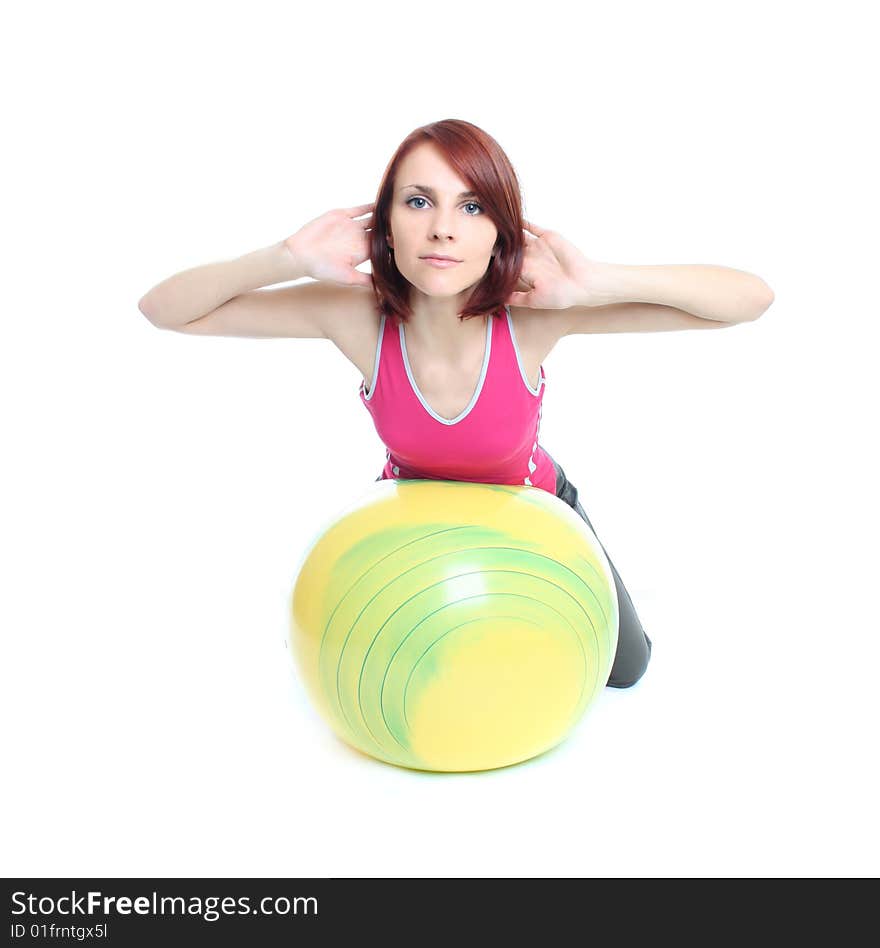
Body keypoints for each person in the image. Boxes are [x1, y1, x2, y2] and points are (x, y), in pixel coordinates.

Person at [138, 118, 774, 689]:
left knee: (625, 671)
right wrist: (283, 257)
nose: (442, 227)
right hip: (413, 524)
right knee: (396, 668)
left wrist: (601, 281)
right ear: (385, 223)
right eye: (419, 202)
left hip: (536, 512)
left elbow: (747, 301)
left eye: (471, 207)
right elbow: (165, 312)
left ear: (502, 229)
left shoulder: (529, 317)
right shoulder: (354, 316)